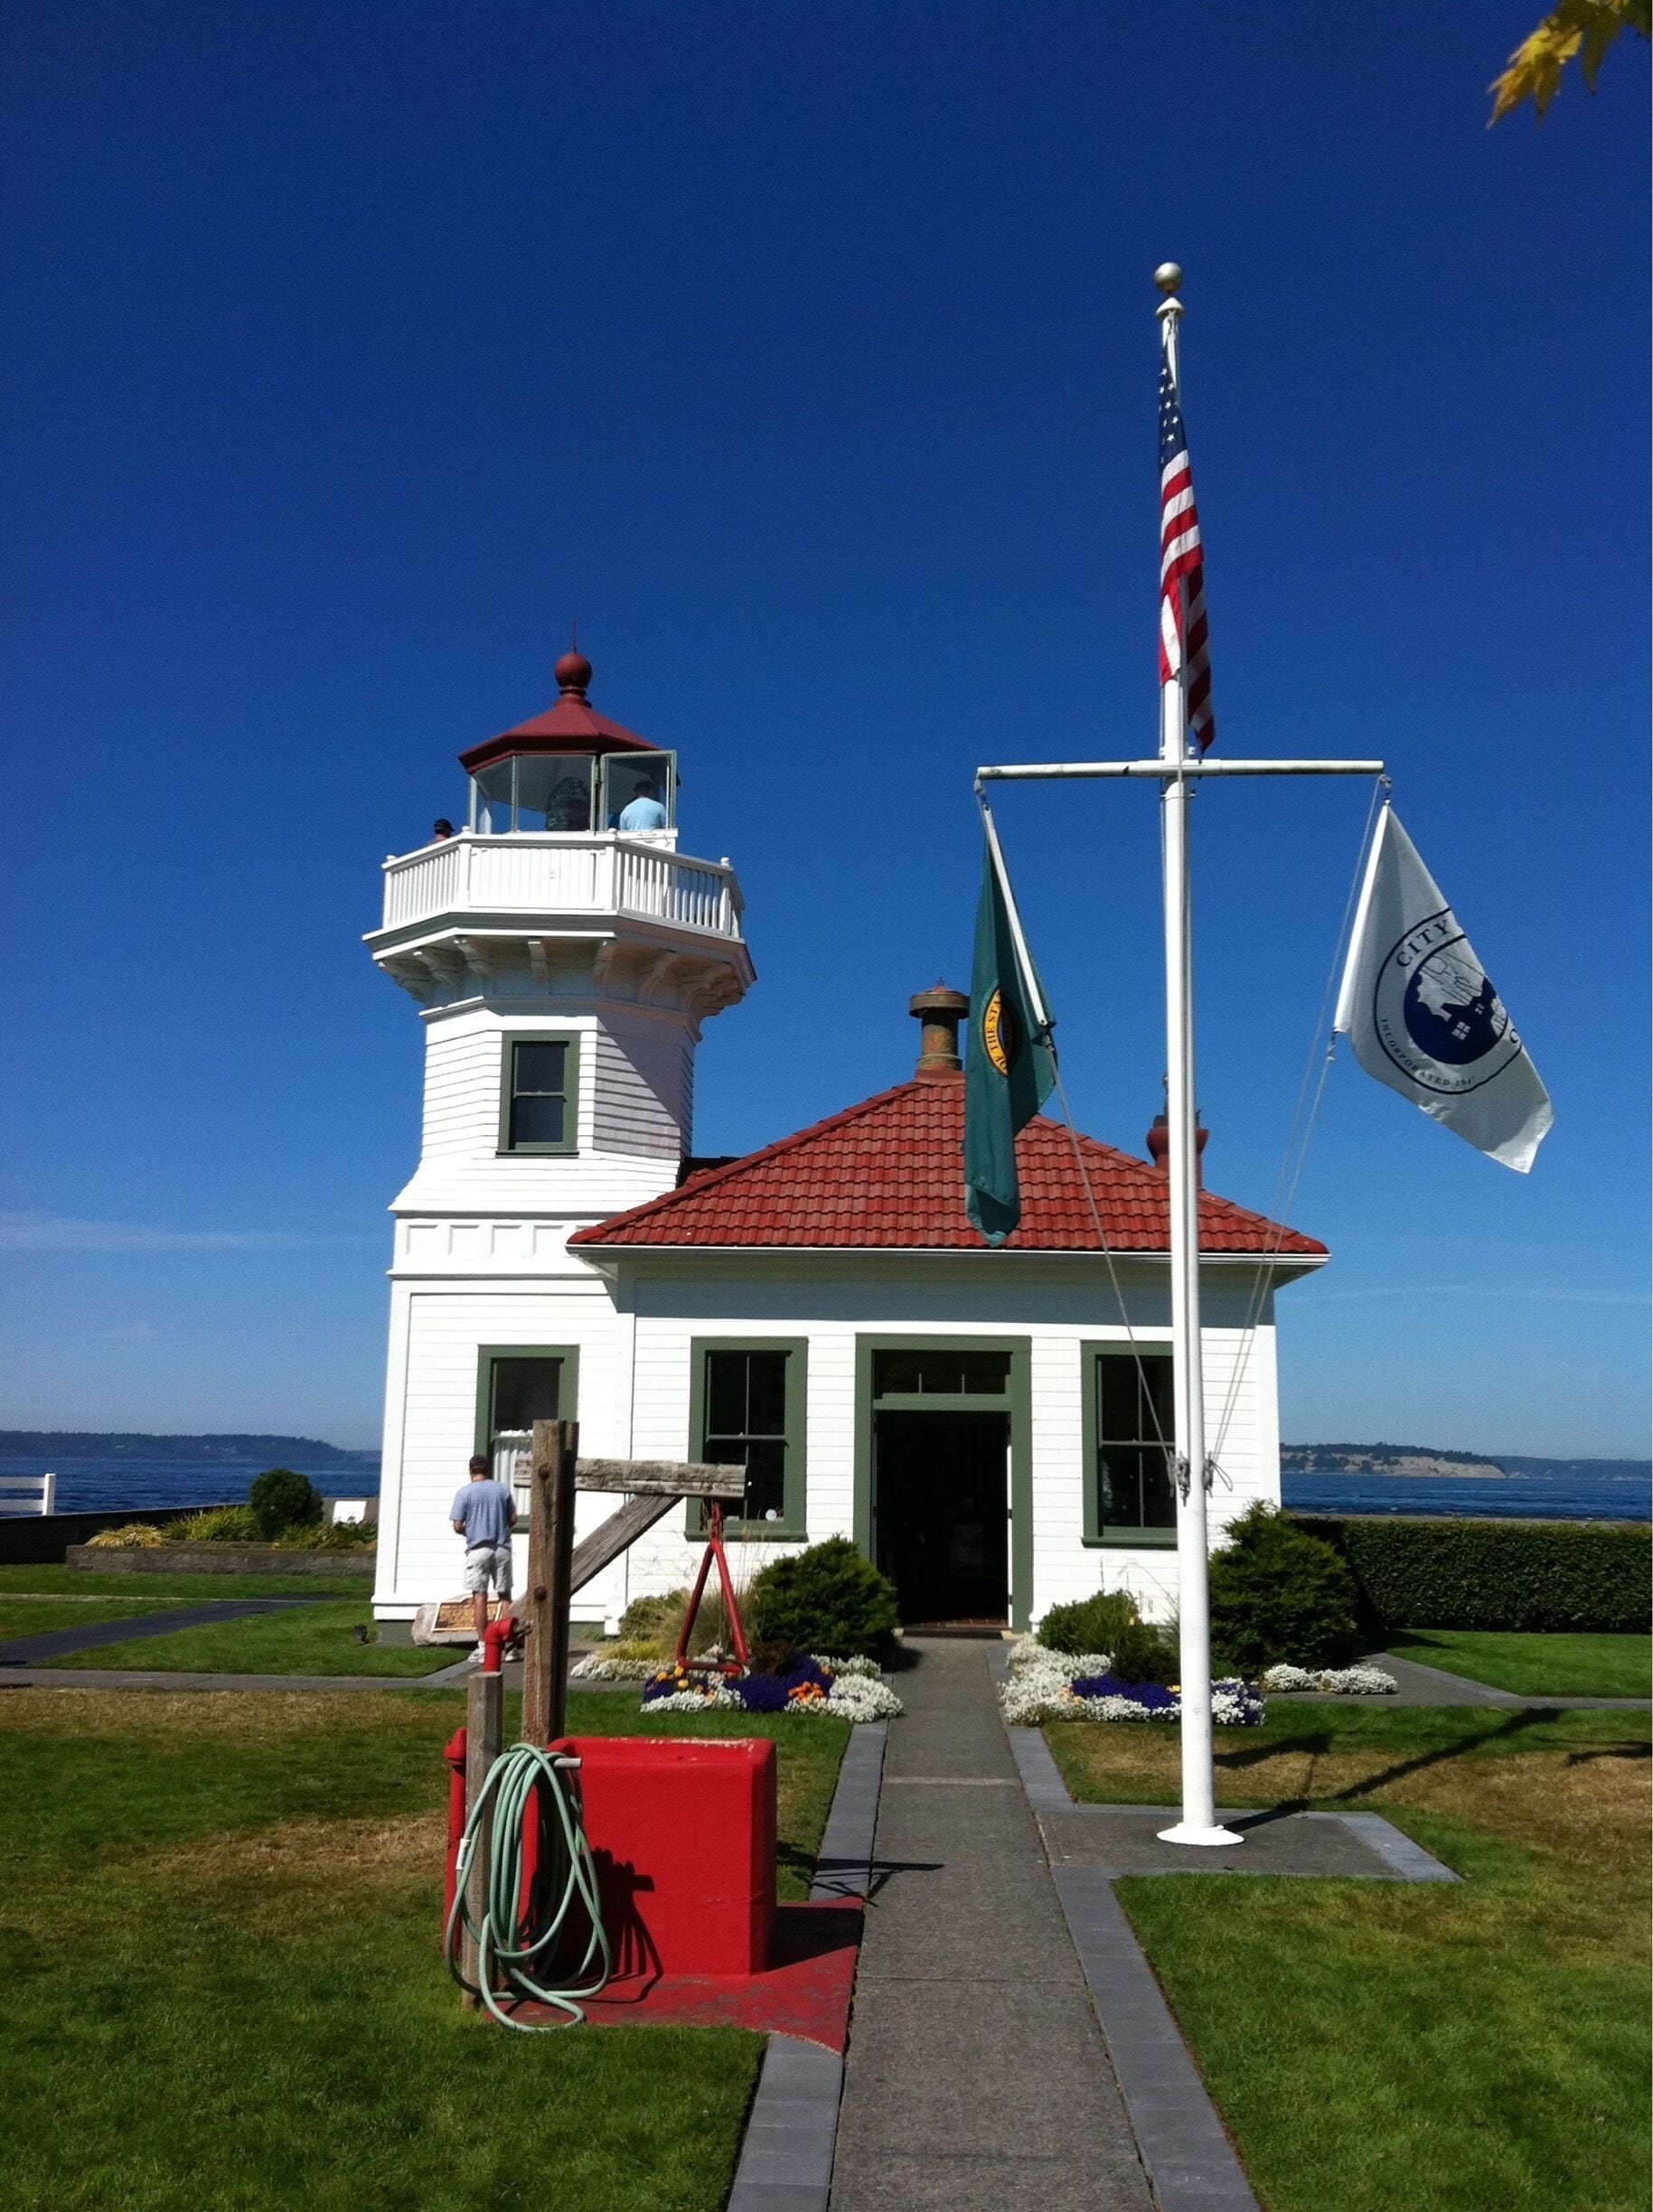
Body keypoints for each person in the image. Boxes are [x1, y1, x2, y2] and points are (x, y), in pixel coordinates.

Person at [450, 1453, 517, 1659]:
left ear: (471, 1471)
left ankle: (483, 1647)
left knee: (480, 1598)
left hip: (478, 1550)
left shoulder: (464, 1493)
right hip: (501, 1548)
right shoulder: (502, 1490)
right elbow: (513, 1519)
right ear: (487, 1470)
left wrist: (469, 1531)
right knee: (505, 1597)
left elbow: (457, 1525)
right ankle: (510, 1646)